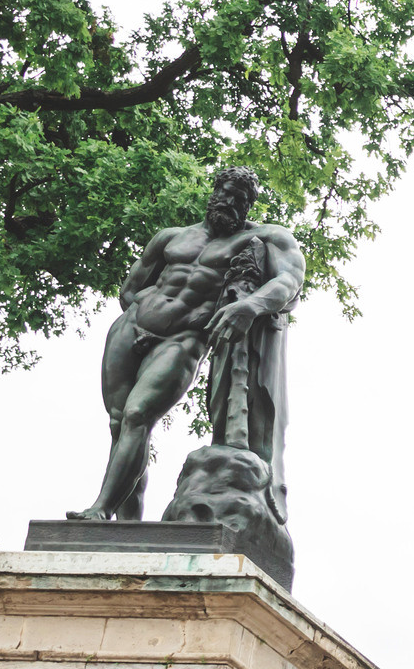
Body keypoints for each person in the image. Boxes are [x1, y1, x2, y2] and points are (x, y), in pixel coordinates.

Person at [70, 165, 303, 525]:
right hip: (130, 329)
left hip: (183, 340)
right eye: (225, 193)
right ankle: (128, 526)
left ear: (249, 206)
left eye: (239, 200)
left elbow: (290, 280)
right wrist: (146, 311)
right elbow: (130, 289)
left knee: (137, 415)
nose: (229, 202)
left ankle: (100, 508)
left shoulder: (266, 238)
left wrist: (249, 305)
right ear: (213, 193)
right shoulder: (171, 237)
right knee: (120, 425)